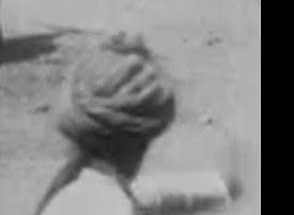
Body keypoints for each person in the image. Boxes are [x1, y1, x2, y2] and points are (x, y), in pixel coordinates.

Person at [33, 32, 243, 215]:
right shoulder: (114, 204)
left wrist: (221, 187)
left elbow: (147, 192)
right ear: (144, 143)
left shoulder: (73, 186)